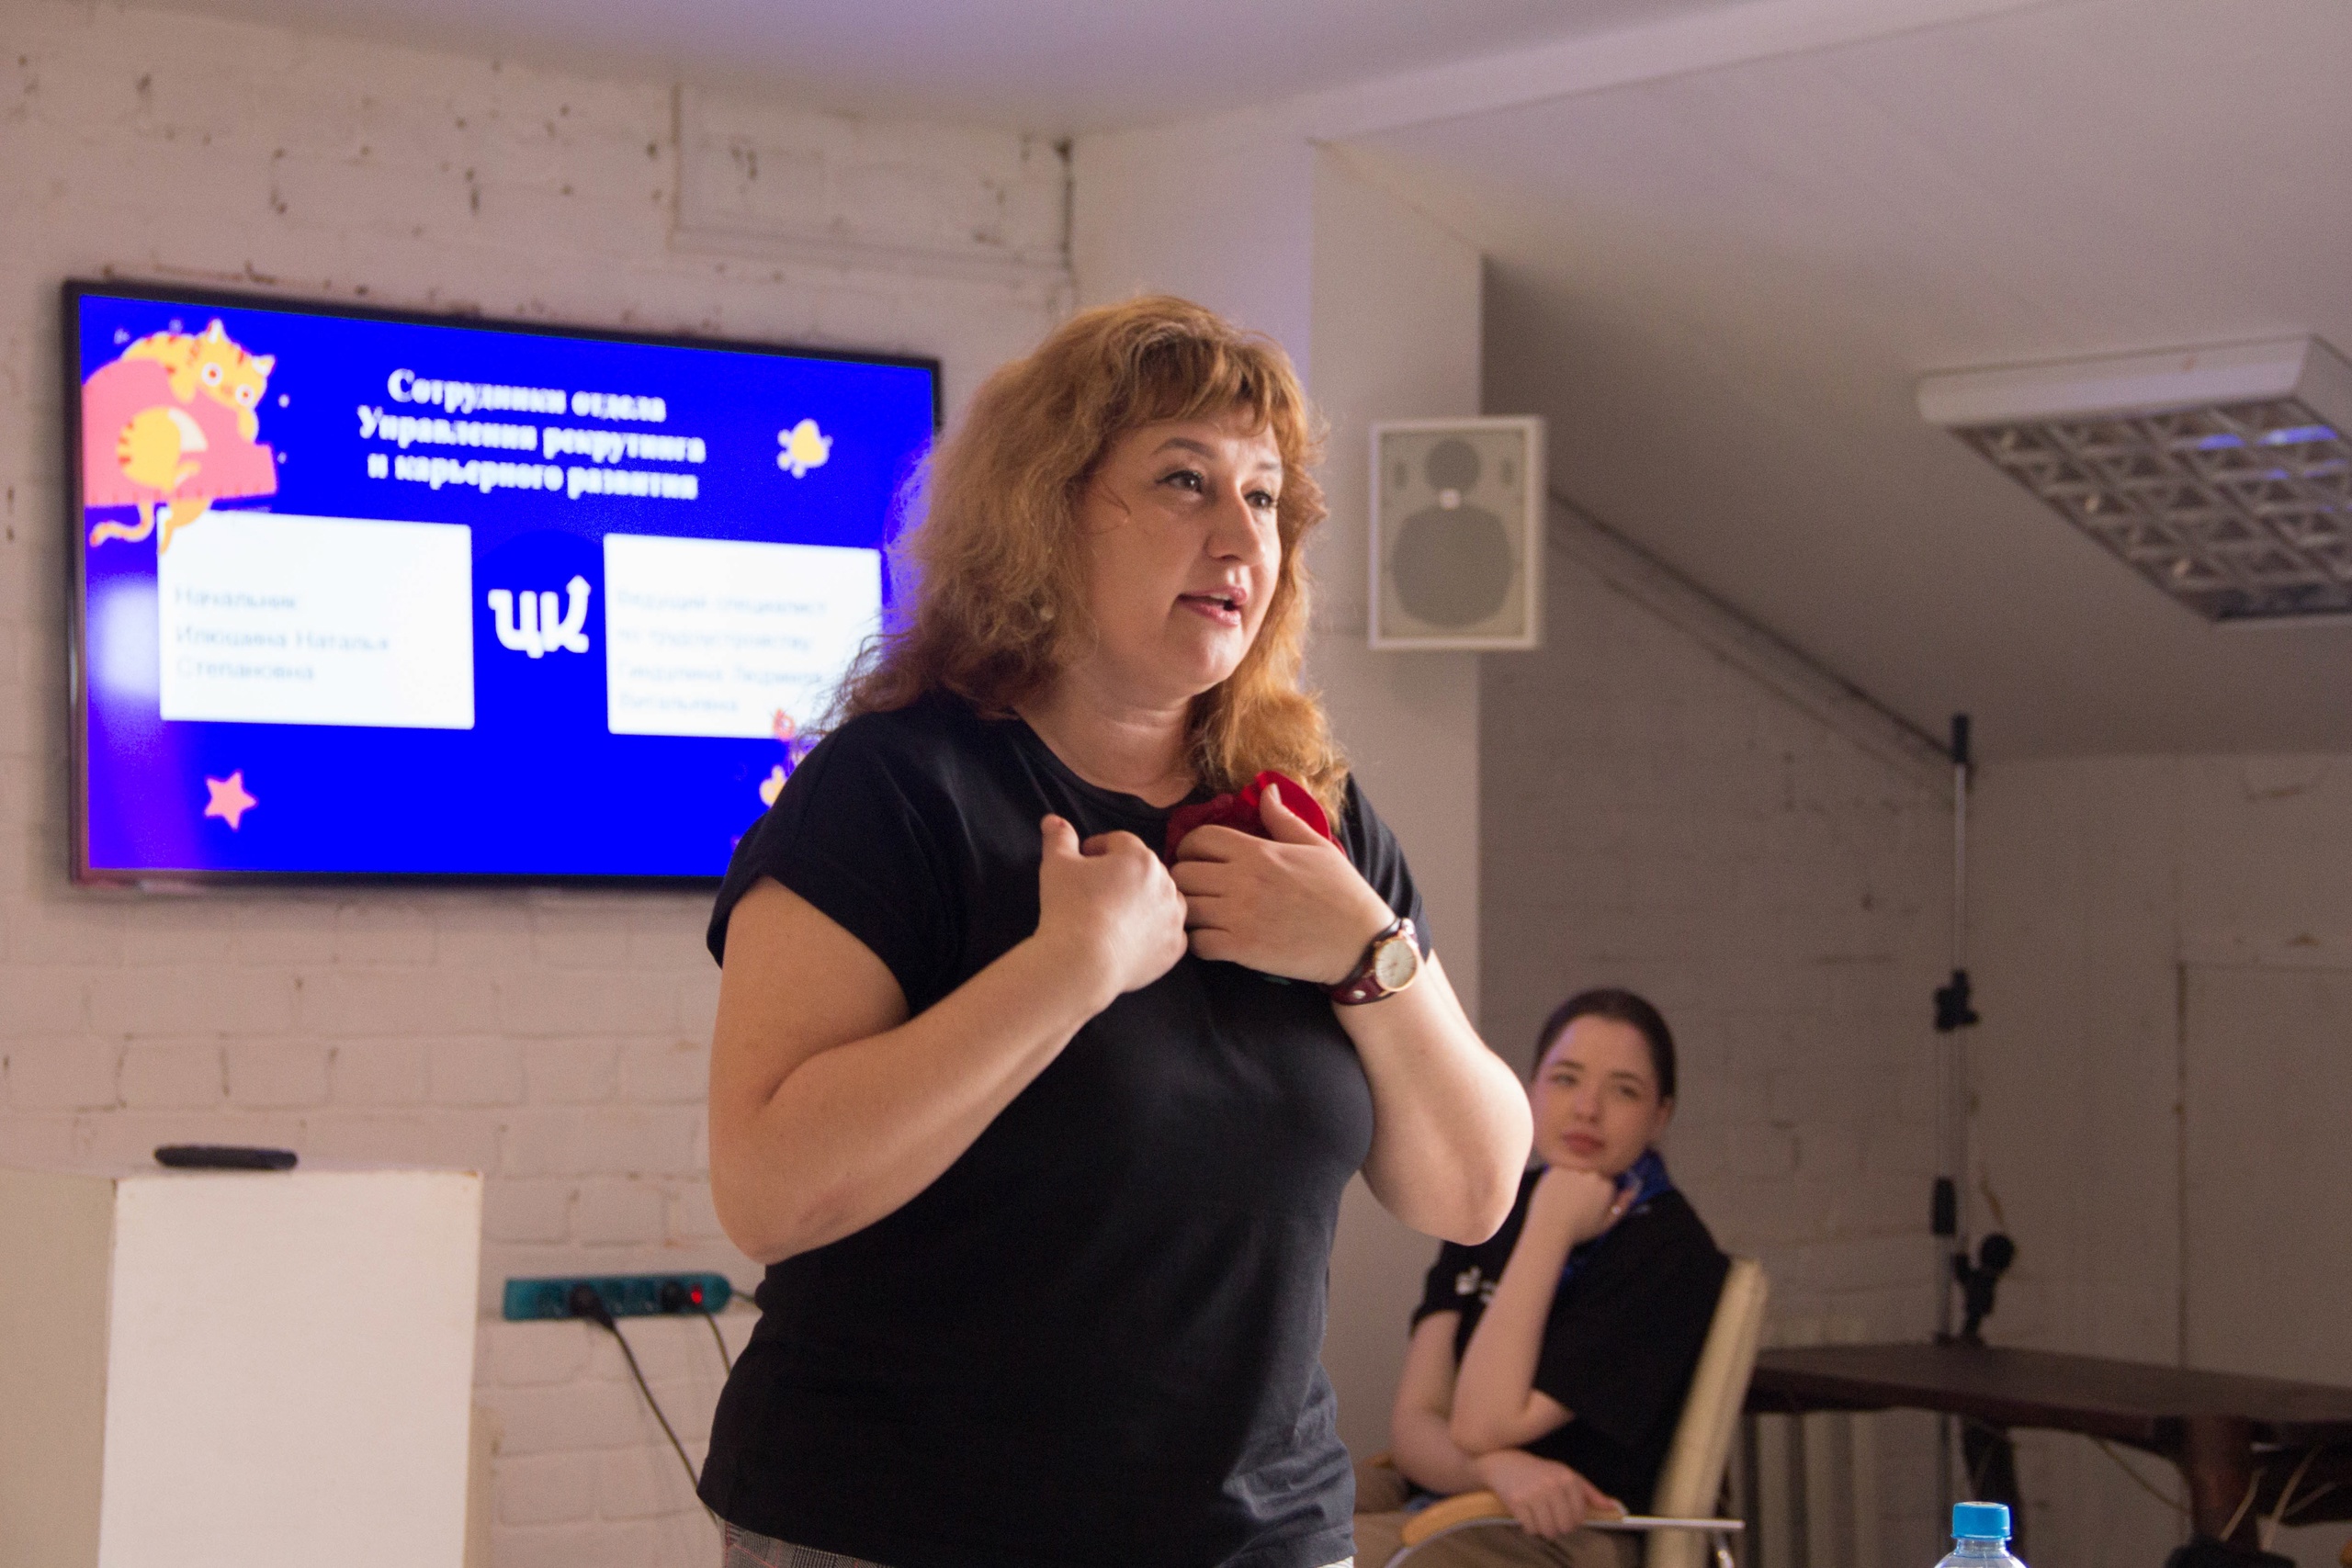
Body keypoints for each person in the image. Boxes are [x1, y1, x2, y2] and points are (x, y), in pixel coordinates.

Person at [700, 296, 1533, 1568]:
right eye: (1184, 480)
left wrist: (1370, 951)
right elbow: (769, 1191)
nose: (1239, 535)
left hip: (1260, 1537)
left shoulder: (1311, 815)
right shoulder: (895, 790)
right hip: (902, 1527)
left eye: (1264, 496)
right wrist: (1068, 970)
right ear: (1046, 508)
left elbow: (1470, 1194)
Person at [1353, 989, 1729, 1568]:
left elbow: (1482, 1425)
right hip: (1463, 1489)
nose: (1587, 1109)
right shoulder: (1492, 1205)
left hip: (1572, 1526)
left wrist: (1549, 1229)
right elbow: (1416, 1424)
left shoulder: (1668, 1250)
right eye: (1566, 1079)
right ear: (1530, 1090)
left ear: (1660, 1116)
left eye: (1624, 1090)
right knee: (1244, 1517)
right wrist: (1496, 1471)